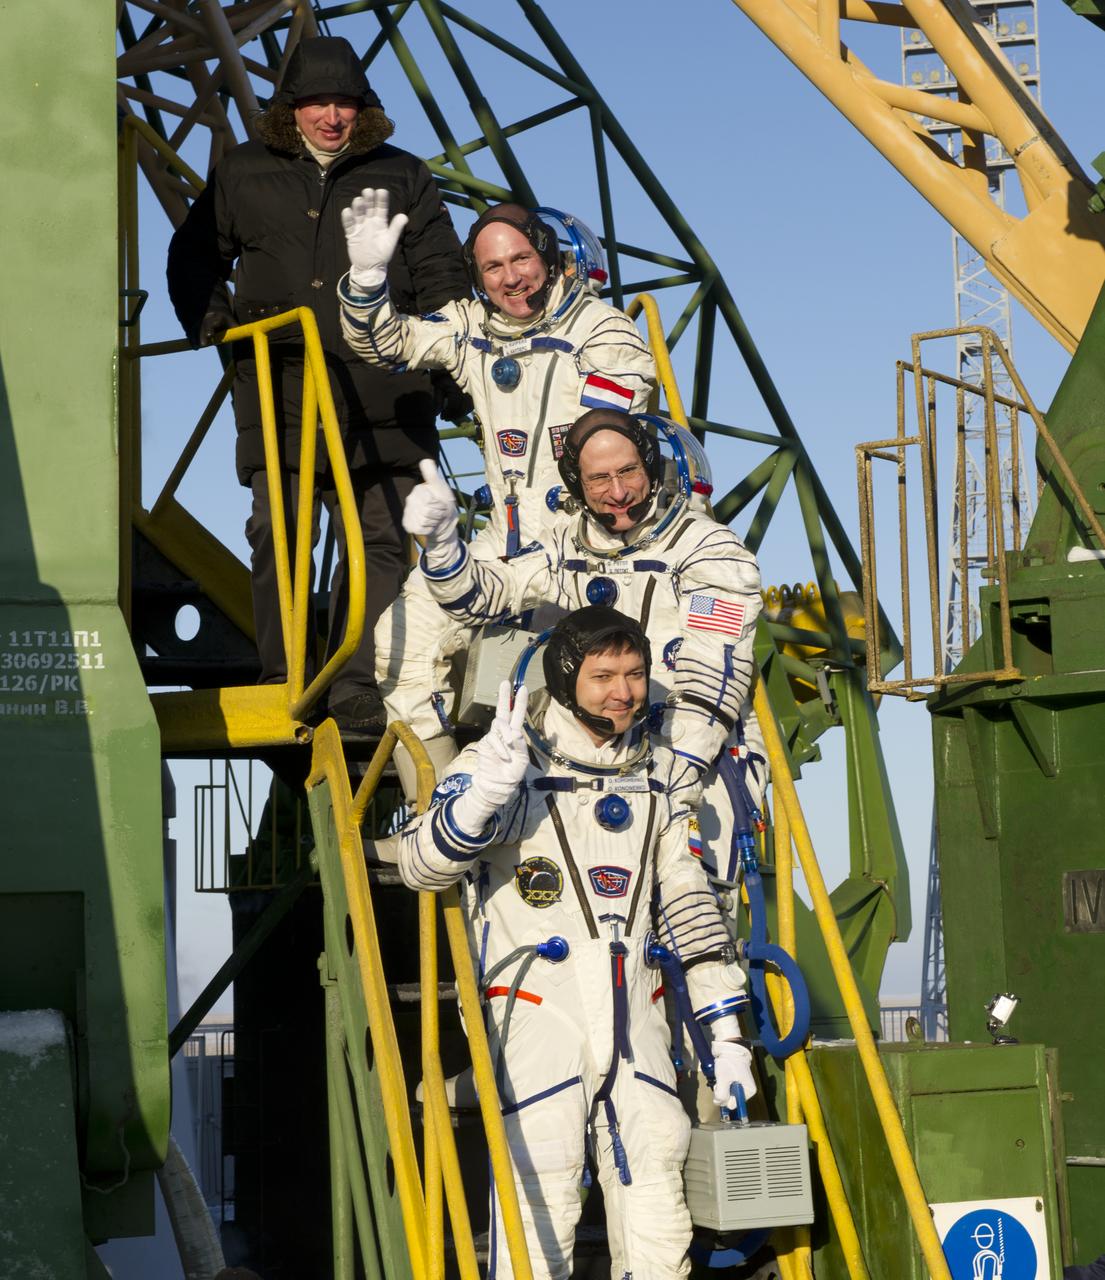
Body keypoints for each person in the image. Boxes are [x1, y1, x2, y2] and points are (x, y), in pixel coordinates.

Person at [398, 607, 757, 1280]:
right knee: (541, 1179)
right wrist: (483, 797)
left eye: (634, 674)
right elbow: (423, 865)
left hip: (636, 1015)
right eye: (602, 676)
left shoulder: (658, 777)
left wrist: (725, 1033)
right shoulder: (508, 761)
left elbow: (687, 904)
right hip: (539, 1011)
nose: (622, 692)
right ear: (565, 678)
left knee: (656, 1172)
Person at [167, 36, 470, 734]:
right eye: (315, 102)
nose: (330, 116)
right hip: (281, 385)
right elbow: (193, 253)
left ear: (361, 108)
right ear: (290, 108)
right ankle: (289, 674)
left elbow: (441, 272)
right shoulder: (242, 172)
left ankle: (360, 681)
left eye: (343, 102)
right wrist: (213, 321)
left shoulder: (404, 175)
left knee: (384, 541)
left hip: (386, 388)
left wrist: (450, 362)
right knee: (279, 529)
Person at [337, 195, 656, 778]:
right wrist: (366, 280)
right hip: (502, 543)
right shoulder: (470, 325)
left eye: (521, 260)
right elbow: (384, 344)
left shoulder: (604, 332)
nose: (510, 278)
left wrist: (564, 557)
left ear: (552, 260)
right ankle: (438, 820)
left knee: (562, 691)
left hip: (579, 547)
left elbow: (607, 453)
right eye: (492, 267)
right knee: (401, 645)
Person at [402, 408, 765, 886]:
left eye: (629, 472)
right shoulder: (563, 545)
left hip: (690, 763)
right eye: (599, 479)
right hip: (587, 756)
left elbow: (713, 680)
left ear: (652, 467)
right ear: (577, 484)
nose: (617, 493)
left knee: (689, 911)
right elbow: (485, 597)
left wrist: (675, 774)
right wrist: (444, 547)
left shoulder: (709, 552)